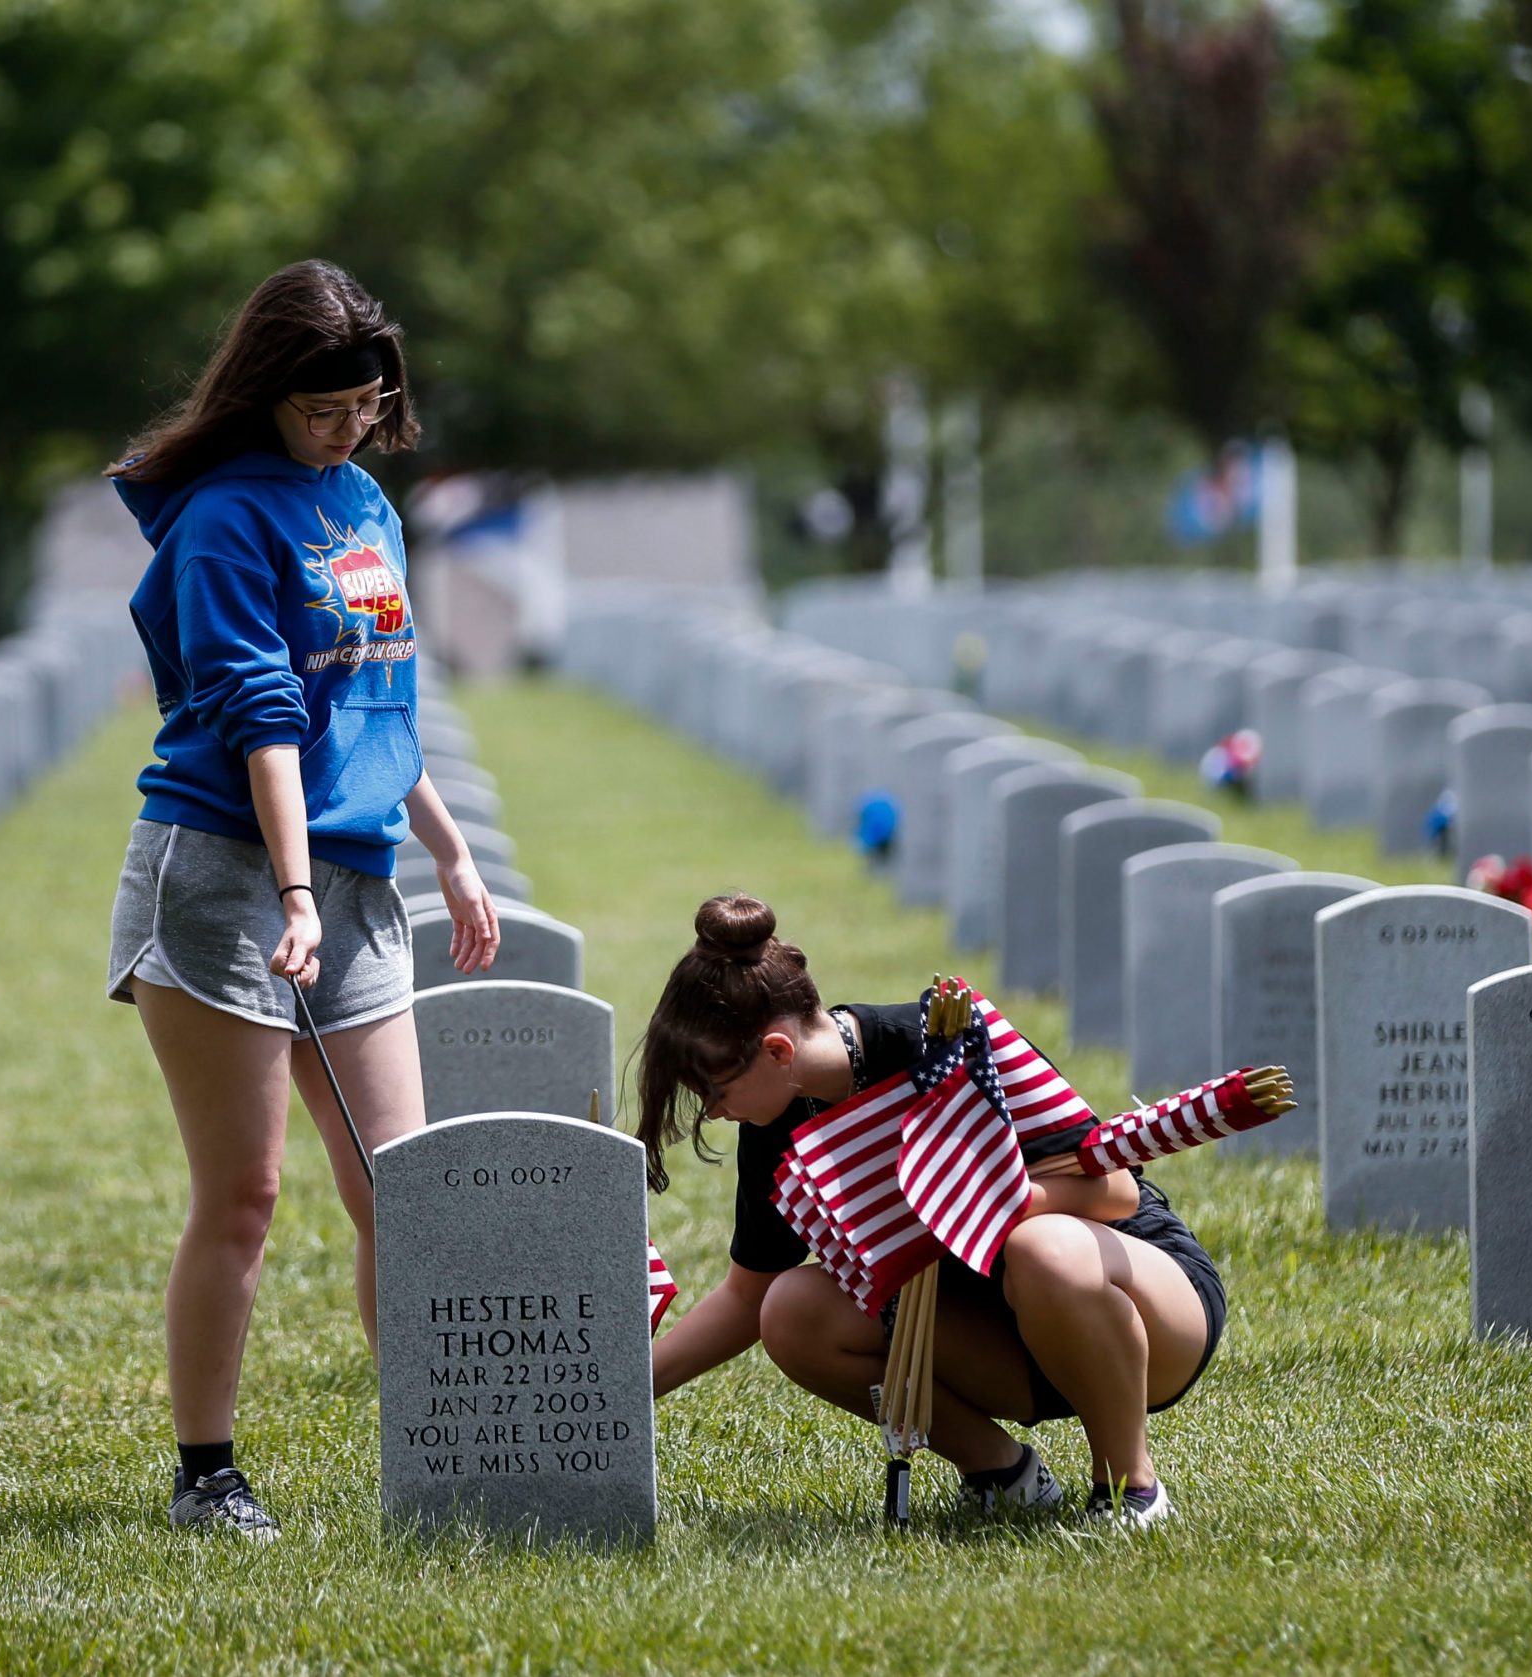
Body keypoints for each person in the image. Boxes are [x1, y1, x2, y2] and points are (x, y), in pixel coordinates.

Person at [104, 259, 500, 1540]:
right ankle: (205, 1472)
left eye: (367, 410)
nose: (346, 432)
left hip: (357, 870)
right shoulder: (226, 520)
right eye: (324, 412)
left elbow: (373, 702)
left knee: (402, 1183)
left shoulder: (366, 500)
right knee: (245, 1194)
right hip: (223, 870)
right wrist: (292, 890)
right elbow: (266, 719)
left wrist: (445, 848)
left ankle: (432, 1443)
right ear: (270, 393)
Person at [635, 894, 1225, 1527]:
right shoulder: (780, 1118)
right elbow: (749, 1299)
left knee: (1042, 1247)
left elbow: (1116, 1193)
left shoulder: (944, 1041)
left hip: (1135, 1306)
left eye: (715, 1092)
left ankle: (1128, 1487)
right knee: (792, 1310)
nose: (713, 1113)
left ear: (778, 1051)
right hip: (1006, 1335)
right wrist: (624, 1392)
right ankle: (1003, 1473)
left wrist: (992, 1200)